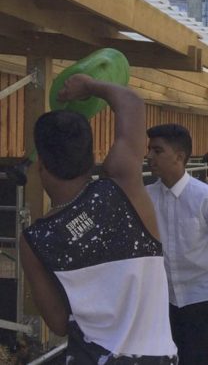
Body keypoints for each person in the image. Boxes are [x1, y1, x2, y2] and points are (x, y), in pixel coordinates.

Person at [19, 74, 178, 363]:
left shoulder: (36, 239)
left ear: (40, 163)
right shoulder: (123, 188)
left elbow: (57, 322)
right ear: (92, 155)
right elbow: (130, 102)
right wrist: (90, 86)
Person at [145, 124, 208, 365]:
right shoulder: (146, 197)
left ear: (179, 157)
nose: (149, 157)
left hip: (203, 300)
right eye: (149, 150)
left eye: (157, 151)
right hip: (163, 301)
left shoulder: (206, 198)